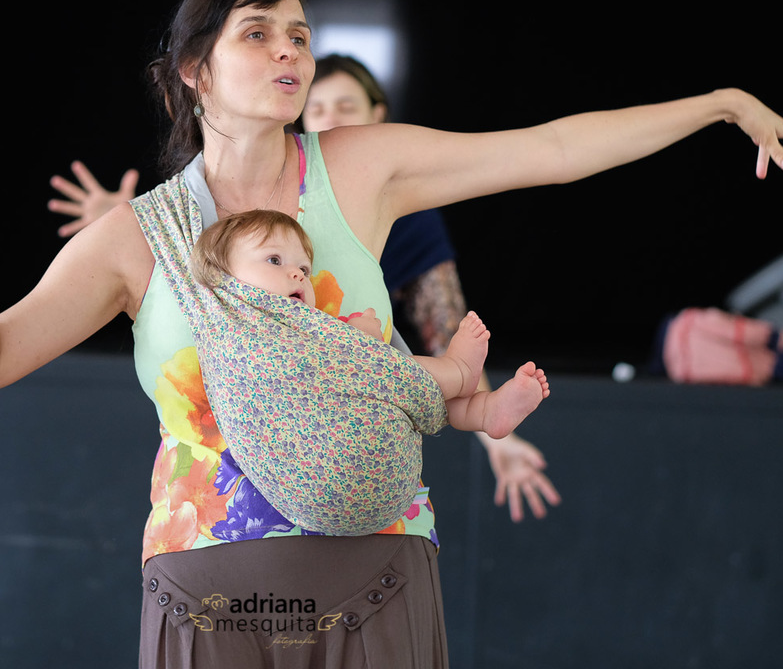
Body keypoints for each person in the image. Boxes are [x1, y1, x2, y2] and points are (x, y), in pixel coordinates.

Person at [0, 0, 783, 667]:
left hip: (375, 568)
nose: (289, 50)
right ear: (194, 70)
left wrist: (718, 101)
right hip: (209, 581)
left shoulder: (361, 167)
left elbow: (552, 149)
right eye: (257, 32)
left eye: (301, 34)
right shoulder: (136, 236)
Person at [51, 53, 564, 521]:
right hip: (244, 479)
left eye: (348, 106)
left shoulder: (398, 205)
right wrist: (123, 231)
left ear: (379, 116)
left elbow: (442, 319)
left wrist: (497, 436)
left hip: (368, 418)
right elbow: (210, 245)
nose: (333, 120)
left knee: (397, 362)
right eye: (318, 109)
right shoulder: (243, 217)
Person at [177, 207, 548, 535]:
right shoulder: (234, 329)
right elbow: (308, 371)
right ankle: (459, 374)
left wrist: (355, 341)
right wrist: (362, 339)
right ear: (221, 277)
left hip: (370, 476)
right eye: (274, 261)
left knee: (382, 379)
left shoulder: (301, 323)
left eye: (304, 269)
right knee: (386, 369)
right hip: (314, 477)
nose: (296, 274)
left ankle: (483, 412)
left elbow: (334, 368)